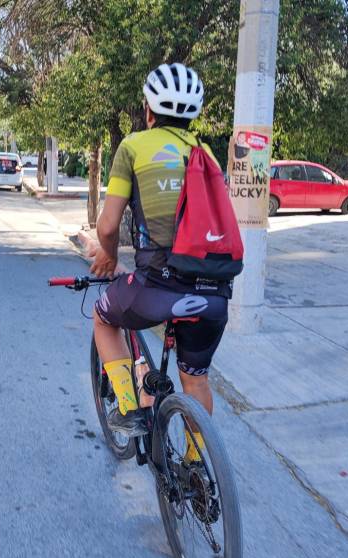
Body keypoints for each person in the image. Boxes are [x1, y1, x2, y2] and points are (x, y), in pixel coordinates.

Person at [91, 62, 232, 442]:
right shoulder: (206, 154)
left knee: (103, 317)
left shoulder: (133, 146)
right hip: (213, 296)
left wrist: (109, 257)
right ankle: (197, 465)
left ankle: (129, 409)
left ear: (148, 111)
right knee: (196, 380)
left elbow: (107, 226)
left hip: (157, 288)